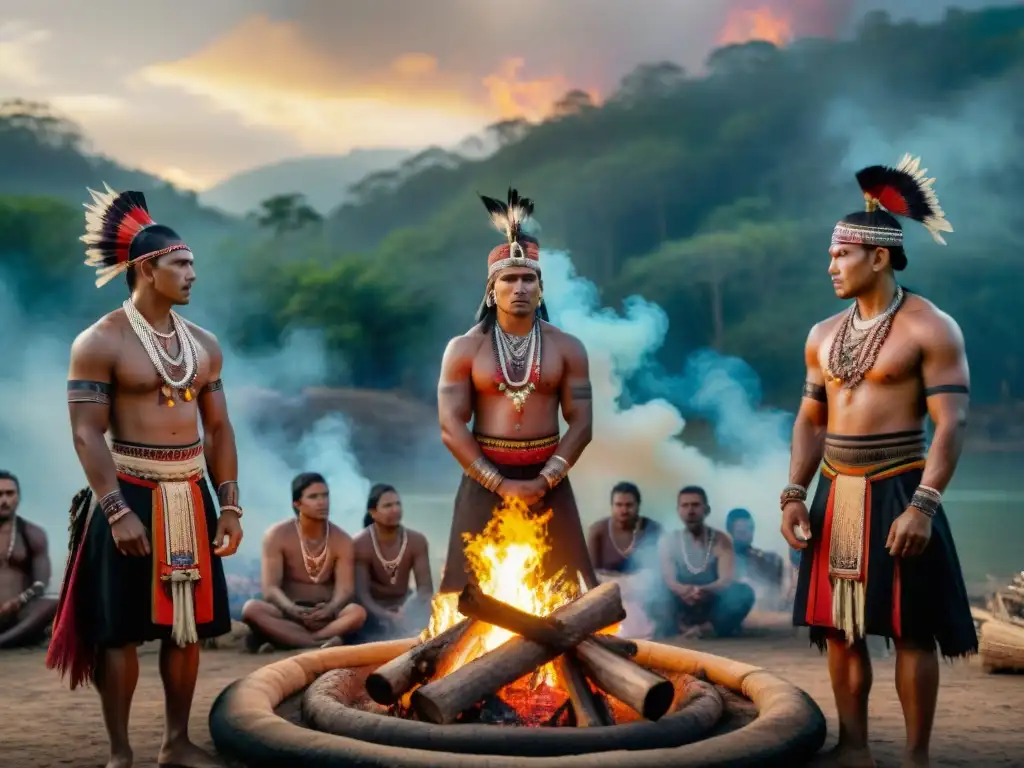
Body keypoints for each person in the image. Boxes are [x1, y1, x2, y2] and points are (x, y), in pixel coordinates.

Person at [782, 155, 977, 768]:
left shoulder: (931, 327)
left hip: (900, 485)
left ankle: (916, 757)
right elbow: (812, 419)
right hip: (837, 490)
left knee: (912, 630)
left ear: (880, 256)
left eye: (842, 254)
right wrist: (793, 492)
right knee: (840, 631)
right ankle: (856, 747)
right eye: (831, 254)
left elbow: (953, 423)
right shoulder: (821, 334)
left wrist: (925, 504)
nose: (831, 266)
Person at [46, 185, 243, 768]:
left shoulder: (203, 345)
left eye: (192, 264)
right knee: (119, 631)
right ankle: (119, 752)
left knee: (187, 630)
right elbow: (85, 433)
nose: (192, 275)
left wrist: (228, 504)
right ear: (146, 269)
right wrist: (115, 508)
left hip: (192, 490)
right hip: (129, 490)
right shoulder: (100, 341)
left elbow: (221, 430)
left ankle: (175, 742)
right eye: (181, 264)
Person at [437, 188, 598, 594]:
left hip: (549, 479)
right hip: (484, 478)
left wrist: (544, 481)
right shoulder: (464, 348)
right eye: (509, 278)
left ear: (541, 289)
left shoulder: (567, 347)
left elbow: (581, 424)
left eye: (529, 279)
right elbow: (450, 426)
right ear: (492, 290)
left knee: (561, 592)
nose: (520, 287)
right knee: (468, 593)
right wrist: (499, 484)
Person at [241, 473, 366, 650]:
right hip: (288, 612)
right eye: (314, 497)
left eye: (325, 495)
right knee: (251, 609)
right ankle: (317, 644)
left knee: (356, 613)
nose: (322, 502)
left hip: (325, 616)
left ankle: (290, 640)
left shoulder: (342, 540)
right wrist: (291, 609)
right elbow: (270, 589)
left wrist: (330, 608)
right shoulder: (277, 535)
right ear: (297, 503)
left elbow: (345, 589)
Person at [658, 486, 755, 639]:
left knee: (743, 593)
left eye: (696, 505)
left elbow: (725, 580)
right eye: (685, 505)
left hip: (712, 602)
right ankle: (681, 627)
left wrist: (703, 591)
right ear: (678, 511)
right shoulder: (670, 540)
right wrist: (683, 590)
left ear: (706, 509)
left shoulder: (721, 540)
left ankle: (709, 627)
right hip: (681, 603)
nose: (690, 511)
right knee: (651, 587)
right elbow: (669, 579)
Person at [353, 483, 432, 639]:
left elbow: (425, 589)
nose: (395, 509)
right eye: (388, 505)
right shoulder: (360, 544)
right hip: (373, 609)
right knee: (359, 618)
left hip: (406, 605)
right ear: (373, 512)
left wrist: (407, 609)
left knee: (437, 607)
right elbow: (362, 595)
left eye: (398, 504)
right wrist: (386, 615)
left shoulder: (417, 541)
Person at [587, 482, 665, 638]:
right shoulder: (598, 530)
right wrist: (617, 582)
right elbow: (590, 573)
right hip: (608, 591)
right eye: (619, 505)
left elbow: (657, 572)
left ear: (638, 505)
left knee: (648, 581)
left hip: (642, 594)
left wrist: (632, 582)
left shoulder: (653, 530)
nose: (624, 510)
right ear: (612, 506)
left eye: (629, 505)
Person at [0, 470, 58, 648]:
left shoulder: (32, 534)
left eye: (10, 494)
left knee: (52, 604)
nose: (4, 501)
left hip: (18, 613)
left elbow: (41, 583)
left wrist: (18, 601)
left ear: (18, 497)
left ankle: (4, 641)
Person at [725, 507, 784, 608]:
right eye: (742, 532)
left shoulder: (767, 560)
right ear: (730, 532)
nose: (749, 535)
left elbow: (776, 591)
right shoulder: (721, 562)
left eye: (751, 529)